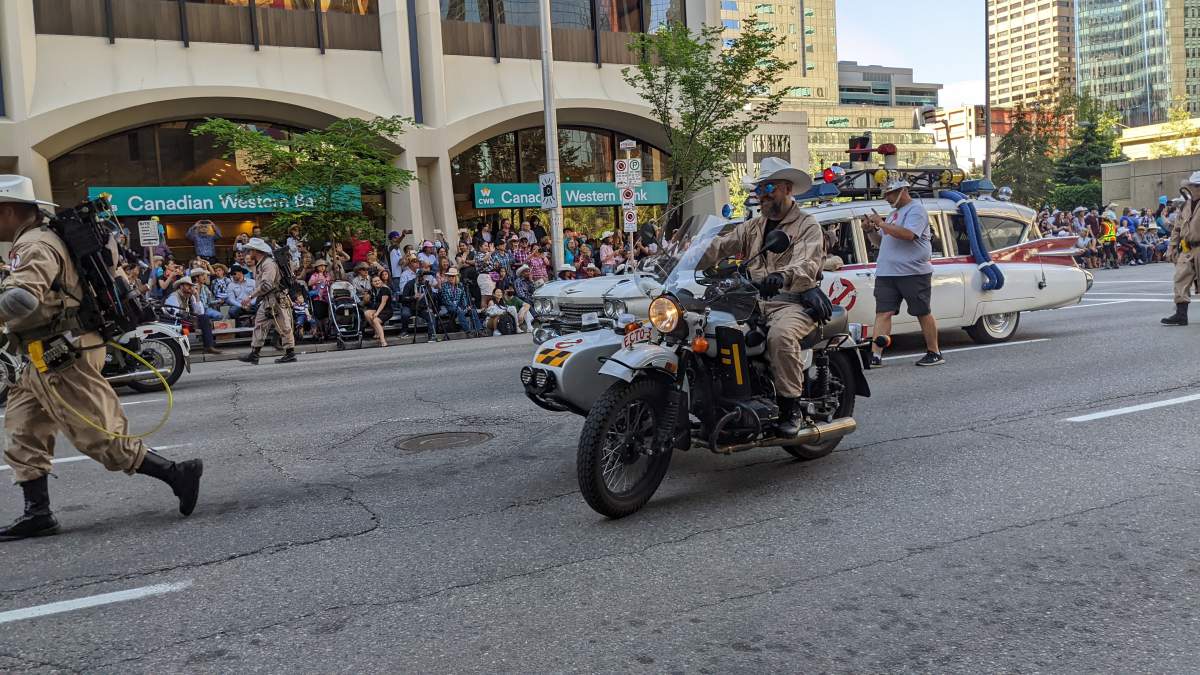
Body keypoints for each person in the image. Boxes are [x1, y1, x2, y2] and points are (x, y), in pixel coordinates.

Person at [0, 175, 203, 540]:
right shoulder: (41, 238)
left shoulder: (31, 246)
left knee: (100, 436)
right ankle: (38, 514)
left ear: (9, 210)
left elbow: (22, 299)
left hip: (61, 355)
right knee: (23, 432)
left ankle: (177, 473)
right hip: (41, 355)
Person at [700, 157, 831, 437]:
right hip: (752, 303)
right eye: (760, 189)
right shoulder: (753, 227)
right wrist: (684, 257)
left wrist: (782, 276)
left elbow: (808, 263)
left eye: (769, 187)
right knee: (706, 327)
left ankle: (790, 407)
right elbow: (722, 245)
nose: (764, 194)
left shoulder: (807, 225)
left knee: (780, 337)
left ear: (787, 188)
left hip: (791, 302)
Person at [864, 179, 944, 368]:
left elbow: (908, 235)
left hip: (913, 272)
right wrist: (870, 231)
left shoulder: (916, 210)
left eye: (889, 193)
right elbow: (882, 242)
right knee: (883, 312)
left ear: (903, 191)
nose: (887, 198)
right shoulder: (893, 214)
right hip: (887, 273)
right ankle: (876, 355)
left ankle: (934, 351)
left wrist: (881, 224)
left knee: (922, 311)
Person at [238, 237, 297, 364]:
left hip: (275, 299)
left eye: (250, 250)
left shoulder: (268, 264)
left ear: (256, 251)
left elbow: (266, 285)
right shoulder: (262, 263)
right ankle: (254, 354)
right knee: (259, 325)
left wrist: (250, 297)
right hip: (268, 300)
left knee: (284, 326)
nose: (248, 252)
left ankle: (290, 353)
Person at [1162, 172, 1200, 326]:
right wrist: (1171, 248)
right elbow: (1177, 229)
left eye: (1196, 186)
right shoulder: (1185, 206)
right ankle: (1181, 315)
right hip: (1187, 248)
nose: (1194, 188)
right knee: (1180, 278)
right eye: (1192, 185)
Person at [165, 276, 223, 355]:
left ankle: (209, 347)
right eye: (188, 285)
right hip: (176, 323)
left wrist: (197, 296)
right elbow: (173, 314)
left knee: (204, 318)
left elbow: (200, 312)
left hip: (187, 322)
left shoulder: (190, 296)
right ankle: (180, 350)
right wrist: (189, 319)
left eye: (191, 286)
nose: (190, 288)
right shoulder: (173, 297)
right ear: (181, 286)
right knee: (194, 320)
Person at [440, 268, 482, 336]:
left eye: (453, 276)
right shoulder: (445, 286)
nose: (451, 278)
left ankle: (479, 330)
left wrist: (466, 306)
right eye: (449, 276)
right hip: (450, 306)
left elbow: (463, 297)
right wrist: (458, 307)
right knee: (459, 311)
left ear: (456, 277)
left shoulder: (460, 285)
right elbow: (446, 300)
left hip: (459, 305)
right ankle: (468, 331)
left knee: (472, 310)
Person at [364, 274, 393, 347]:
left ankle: (383, 341)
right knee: (367, 313)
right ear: (372, 283)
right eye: (375, 281)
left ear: (381, 281)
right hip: (377, 309)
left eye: (378, 280)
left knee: (375, 320)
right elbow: (366, 301)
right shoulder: (372, 290)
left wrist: (377, 313)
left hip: (386, 310)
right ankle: (377, 331)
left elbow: (383, 303)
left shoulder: (385, 289)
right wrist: (366, 297)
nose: (377, 282)